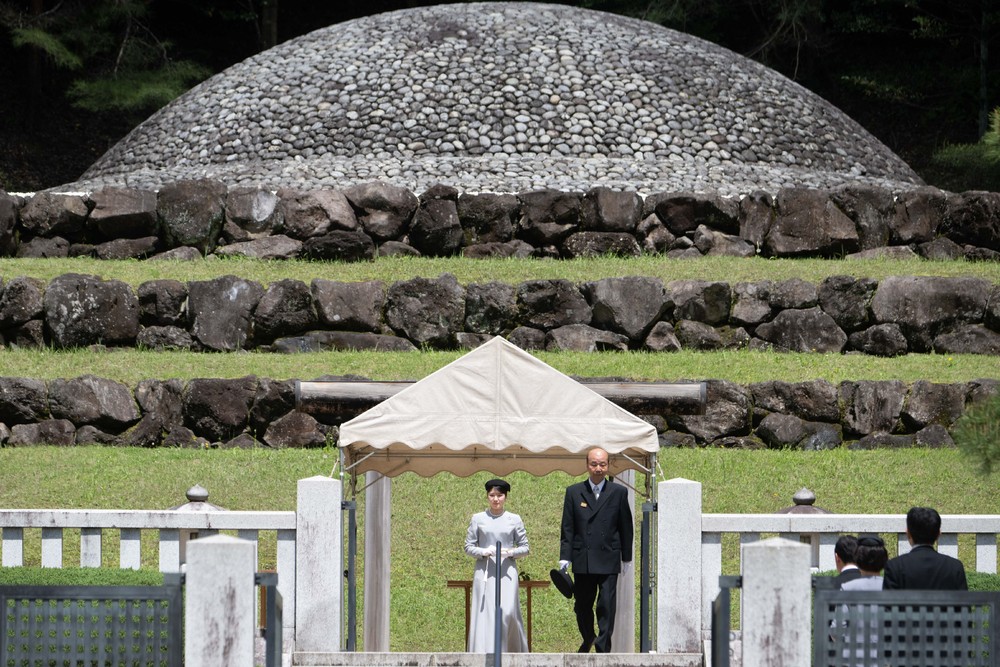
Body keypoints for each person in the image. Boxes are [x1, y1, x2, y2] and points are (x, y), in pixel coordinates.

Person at [558, 447, 633, 653]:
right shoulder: (574, 492)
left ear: (608, 465)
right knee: (582, 605)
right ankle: (588, 636)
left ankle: (603, 647)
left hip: (609, 556)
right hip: (583, 557)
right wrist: (565, 556)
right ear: (587, 465)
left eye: (602, 464)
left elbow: (626, 527)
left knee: (606, 605)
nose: (598, 468)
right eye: (594, 464)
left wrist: (626, 558)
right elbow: (567, 527)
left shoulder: (618, 492)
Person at [464, 478, 530, 653]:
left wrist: (510, 552)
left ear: (505, 497)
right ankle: (484, 650)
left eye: (499, 495)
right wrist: (484, 551)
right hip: (485, 571)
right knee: (485, 611)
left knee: (507, 610)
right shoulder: (478, 518)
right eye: (492, 495)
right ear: (487, 496)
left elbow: (525, 547)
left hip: (507, 571)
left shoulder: (514, 519)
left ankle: (509, 650)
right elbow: (468, 546)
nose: (495, 499)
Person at [882, 506, 968, 590]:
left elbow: (888, 599)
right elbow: (963, 599)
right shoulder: (955, 567)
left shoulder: (895, 567)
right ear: (938, 534)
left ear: (908, 533)